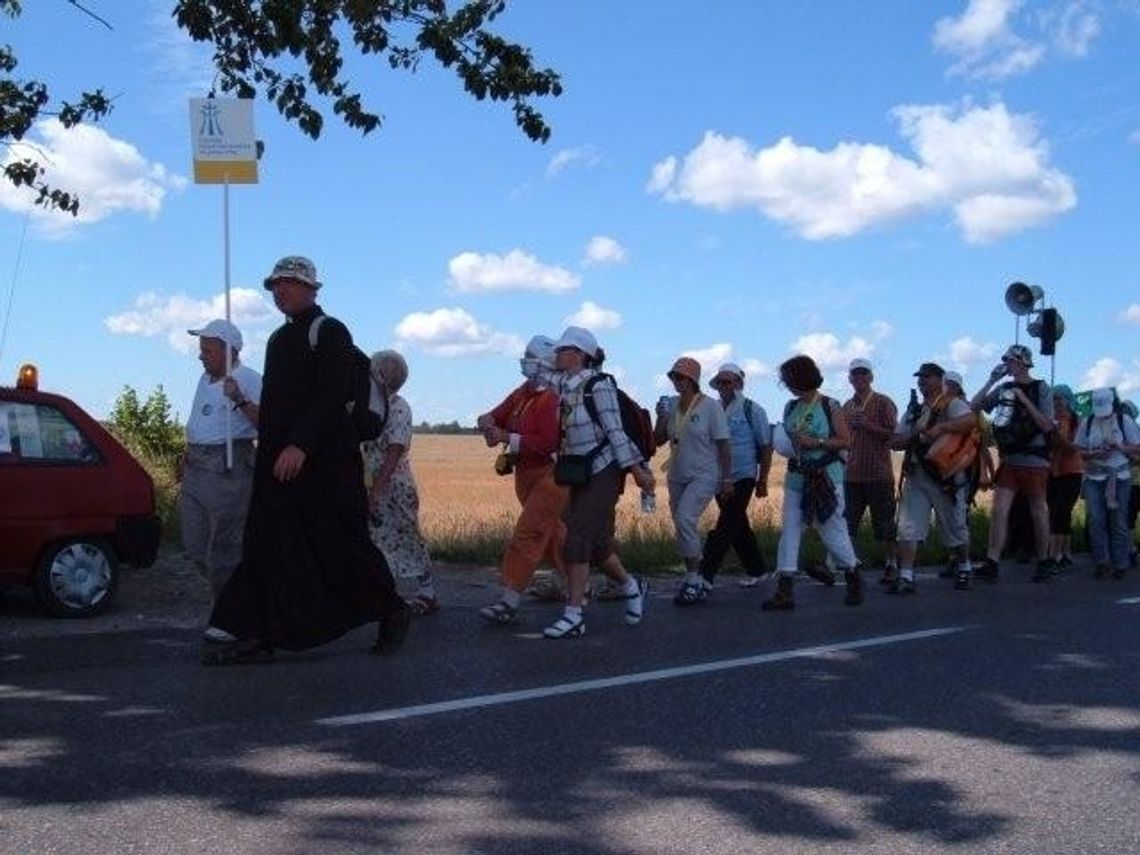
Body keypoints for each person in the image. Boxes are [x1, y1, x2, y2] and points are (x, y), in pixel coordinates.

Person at [203, 255, 409, 664]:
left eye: (290, 284)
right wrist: (276, 449)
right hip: (280, 466)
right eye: (276, 285)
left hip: (326, 466)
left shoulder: (329, 331)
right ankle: (260, 634)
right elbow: (280, 406)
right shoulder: (280, 340)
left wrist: (300, 444)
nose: (281, 291)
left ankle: (392, 611)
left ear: (312, 290)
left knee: (339, 545)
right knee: (268, 545)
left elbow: (330, 396)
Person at [544, 325, 654, 638]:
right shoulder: (564, 384)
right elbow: (529, 366)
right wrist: (557, 360)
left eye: (565, 349)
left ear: (581, 355)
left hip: (602, 471)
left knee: (576, 537)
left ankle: (574, 614)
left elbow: (615, 431)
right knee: (598, 543)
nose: (558, 353)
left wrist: (636, 471)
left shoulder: (599, 385)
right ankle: (631, 586)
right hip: (576, 470)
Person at [475, 335, 568, 624]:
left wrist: (505, 437)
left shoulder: (552, 397)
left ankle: (509, 599)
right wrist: (487, 423)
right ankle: (583, 579)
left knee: (527, 534)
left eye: (530, 357)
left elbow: (548, 442)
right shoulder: (524, 392)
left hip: (551, 477)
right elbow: (493, 415)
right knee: (551, 535)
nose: (524, 361)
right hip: (526, 476)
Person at [181, 319, 261, 643]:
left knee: (225, 550)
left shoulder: (250, 380)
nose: (201, 356)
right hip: (195, 466)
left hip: (227, 467)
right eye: (201, 349)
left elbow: (269, 422)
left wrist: (239, 399)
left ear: (229, 351)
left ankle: (231, 616)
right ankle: (228, 603)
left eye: (207, 350)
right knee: (194, 545)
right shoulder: (204, 377)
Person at [763, 354, 861, 611]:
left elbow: (845, 441)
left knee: (831, 530)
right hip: (796, 477)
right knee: (790, 530)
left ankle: (853, 573)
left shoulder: (830, 405)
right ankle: (785, 589)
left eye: (788, 379)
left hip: (826, 477)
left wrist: (815, 442)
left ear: (800, 377)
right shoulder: (789, 407)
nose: (785, 385)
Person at [970, 344, 1055, 583]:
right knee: (999, 511)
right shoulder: (1005, 387)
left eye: (1011, 361)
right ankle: (992, 561)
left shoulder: (1041, 388)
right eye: (1006, 361)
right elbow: (974, 406)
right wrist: (991, 381)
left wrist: (1024, 400)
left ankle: (1044, 561)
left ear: (1022, 362)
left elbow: (1047, 425)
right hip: (1010, 459)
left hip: (1034, 461)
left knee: (1038, 510)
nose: (1007, 364)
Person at [891, 362, 978, 593]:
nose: (922, 381)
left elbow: (970, 421)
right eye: (920, 377)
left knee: (954, 527)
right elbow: (896, 441)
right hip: (918, 474)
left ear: (940, 380)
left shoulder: (952, 403)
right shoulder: (914, 410)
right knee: (908, 527)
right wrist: (915, 436)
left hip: (946, 476)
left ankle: (965, 568)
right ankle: (906, 576)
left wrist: (941, 429)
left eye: (927, 377)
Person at [362, 349, 437, 615]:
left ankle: (427, 593)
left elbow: (394, 454)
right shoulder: (374, 405)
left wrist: (376, 491)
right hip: (373, 484)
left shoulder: (399, 407)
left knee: (407, 536)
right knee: (378, 541)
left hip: (393, 486)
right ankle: (385, 596)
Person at [652, 356, 731, 605]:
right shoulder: (672, 405)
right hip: (676, 474)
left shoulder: (710, 407)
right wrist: (661, 417)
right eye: (674, 377)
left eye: (682, 377)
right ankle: (691, 575)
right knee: (681, 524)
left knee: (686, 518)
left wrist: (727, 478)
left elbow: (723, 444)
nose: (677, 382)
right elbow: (657, 441)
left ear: (693, 380)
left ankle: (696, 578)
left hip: (704, 473)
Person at [696, 363, 773, 593]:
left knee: (726, 525)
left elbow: (766, 445)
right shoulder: (712, 409)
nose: (723, 386)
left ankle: (705, 575)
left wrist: (763, 479)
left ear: (739, 384)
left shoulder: (753, 410)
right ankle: (758, 570)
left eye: (727, 382)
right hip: (719, 476)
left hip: (744, 475)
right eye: (720, 382)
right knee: (738, 525)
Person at [841, 358, 899, 584]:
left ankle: (892, 564)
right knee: (848, 524)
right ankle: (849, 565)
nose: (859, 378)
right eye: (855, 375)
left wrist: (866, 425)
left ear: (871, 377)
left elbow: (893, 435)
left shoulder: (884, 402)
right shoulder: (846, 406)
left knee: (885, 524)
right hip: (853, 474)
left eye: (863, 374)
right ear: (849, 379)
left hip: (879, 473)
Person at [1075, 388, 1140, 579]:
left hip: (1119, 477)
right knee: (1096, 519)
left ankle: (1120, 563)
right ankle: (1101, 562)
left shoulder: (1124, 421)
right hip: (1094, 476)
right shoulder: (1087, 423)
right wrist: (1093, 454)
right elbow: (1079, 449)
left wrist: (1120, 447)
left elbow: (1137, 447)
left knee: (1118, 520)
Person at [1046, 384, 1084, 570]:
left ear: (1068, 400)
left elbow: (1071, 448)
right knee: (1059, 512)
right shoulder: (1051, 421)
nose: (1057, 402)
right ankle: (1065, 553)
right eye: (1054, 399)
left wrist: (1058, 432)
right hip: (1053, 473)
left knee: (1059, 512)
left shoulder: (1076, 421)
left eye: (1060, 398)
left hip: (1071, 472)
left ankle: (1054, 555)